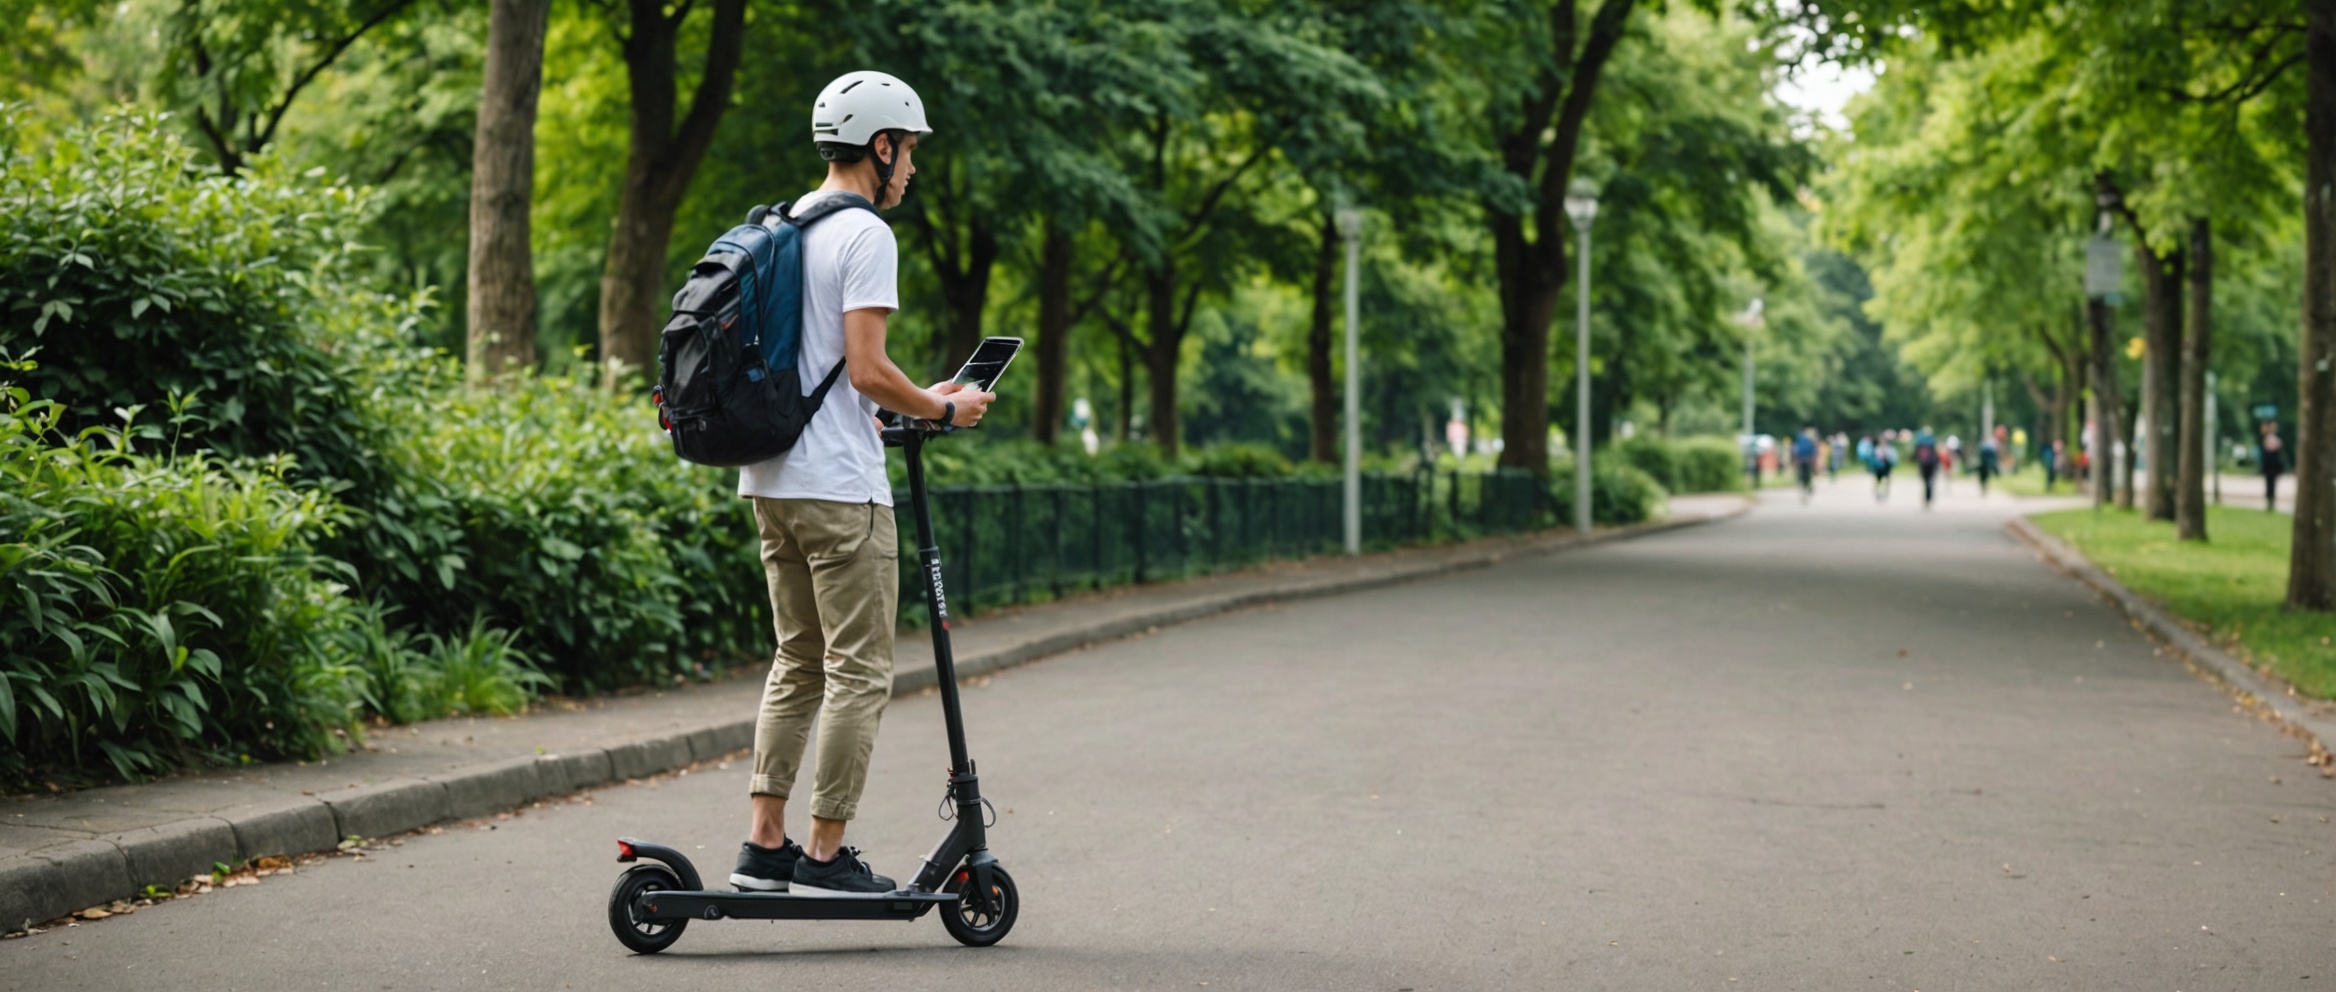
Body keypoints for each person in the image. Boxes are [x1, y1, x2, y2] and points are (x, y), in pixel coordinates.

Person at [730, 70, 995, 898]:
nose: (911, 167)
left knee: (797, 661)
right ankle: (822, 855)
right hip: (842, 492)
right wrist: (942, 412)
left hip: (771, 480)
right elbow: (871, 369)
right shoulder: (866, 234)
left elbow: (833, 372)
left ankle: (763, 846)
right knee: (857, 672)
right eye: (909, 150)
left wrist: (918, 399)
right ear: (880, 147)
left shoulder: (790, 225)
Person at [1912, 427, 1940, 509]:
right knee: (1930, 482)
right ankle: (1928, 499)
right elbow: (1936, 454)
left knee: (1925, 483)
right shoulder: (1932, 441)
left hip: (1923, 464)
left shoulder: (1919, 442)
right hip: (1931, 464)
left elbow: (1915, 454)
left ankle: (1926, 499)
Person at [2262, 421, 2287, 513]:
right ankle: (2269, 501)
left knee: (2273, 484)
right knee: (2269, 483)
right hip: (2269, 465)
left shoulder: (2277, 439)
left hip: (2274, 466)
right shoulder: (2267, 439)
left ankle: (2272, 501)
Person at [1793, 427, 1819, 503]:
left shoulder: (1799, 440)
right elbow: (1813, 450)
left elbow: (1796, 450)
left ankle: (1803, 487)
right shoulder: (1809, 440)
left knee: (1801, 474)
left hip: (1801, 460)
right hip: (1808, 460)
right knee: (1808, 474)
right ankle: (1807, 487)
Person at [1869, 433, 1896, 501]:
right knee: (1878, 480)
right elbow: (1873, 458)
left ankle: (1885, 492)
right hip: (1878, 467)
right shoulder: (1877, 448)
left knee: (1887, 480)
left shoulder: (1889, 449)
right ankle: (1878, 492)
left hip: (1887, 466)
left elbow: (1892, 458)